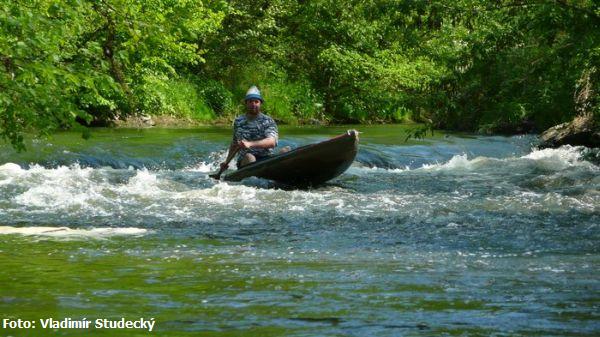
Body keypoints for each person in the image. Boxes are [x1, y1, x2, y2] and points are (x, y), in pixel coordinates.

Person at [219, 86, 279, 171]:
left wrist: (250, 144)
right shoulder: (238, 121)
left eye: (256, 102)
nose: (253, 104)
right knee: (250, 157)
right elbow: (235, 144)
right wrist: (226, 162)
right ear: (246, 103)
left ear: (260, 103)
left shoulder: (268, 121)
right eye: (250, 101)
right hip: (246, 161)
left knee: (286, 150)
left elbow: (272, 142)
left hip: (266, 159)